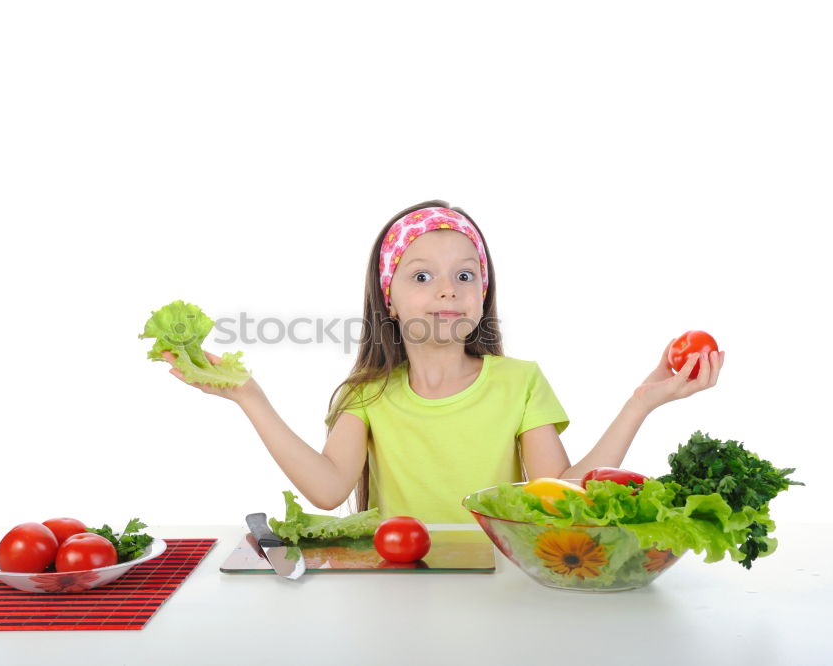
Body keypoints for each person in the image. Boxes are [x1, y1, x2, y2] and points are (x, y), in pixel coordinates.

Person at [159, 200, 725, 524]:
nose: (447, 291)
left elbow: (559, 492)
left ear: (483, 293)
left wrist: (640, 404)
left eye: (464, 275)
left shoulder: (520, 382)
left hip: (498, 583)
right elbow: (329, 490)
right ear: (390, 297)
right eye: (422, 275)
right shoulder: (367, 394)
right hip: (396, 583)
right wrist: (249, 396)